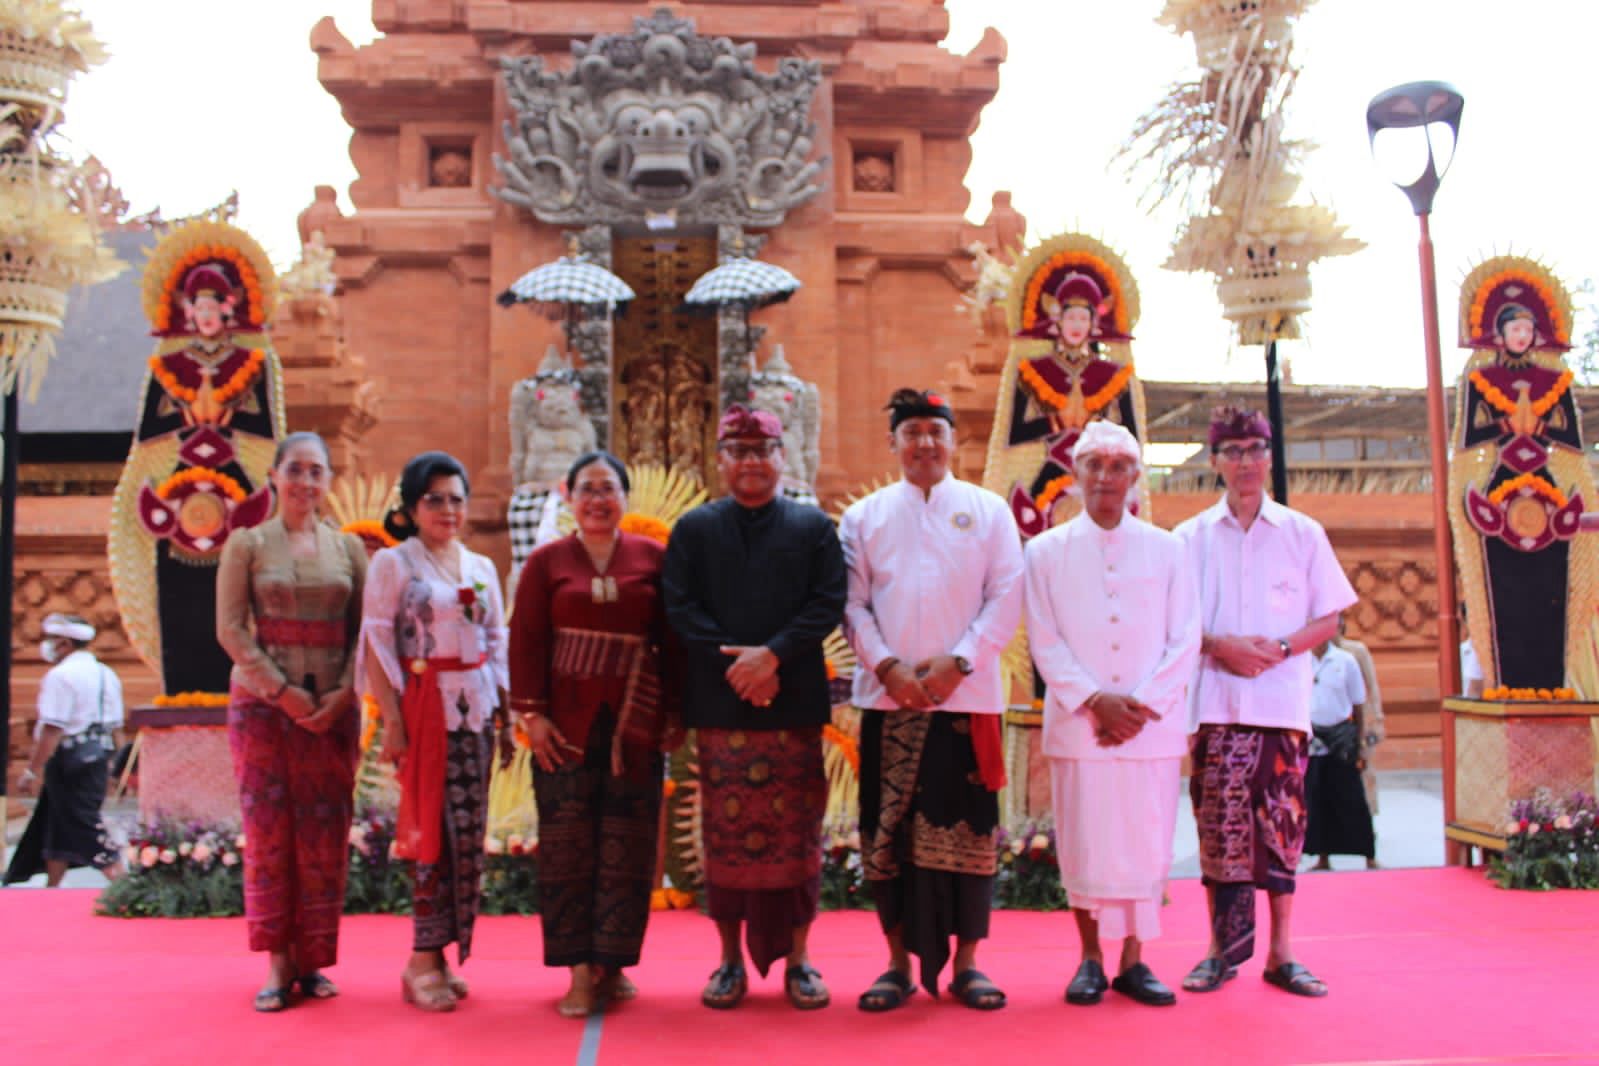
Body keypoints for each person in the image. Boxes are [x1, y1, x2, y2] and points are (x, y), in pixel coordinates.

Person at [840, 388, 1023, 1012]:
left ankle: (970, 964)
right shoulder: (863, 517)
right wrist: (887, 667)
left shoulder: (989, 511)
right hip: (888, 702)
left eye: (935, 432)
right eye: (911, 432)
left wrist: (960, 661)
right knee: (886, 832)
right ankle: (894, 963)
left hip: (966, 703)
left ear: (954, 441)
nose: (924, 443)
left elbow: (1007, 595)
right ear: (893, 443)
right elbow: (853, 604)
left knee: (970, 831)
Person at [662, 404, 846, 1010]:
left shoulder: (814, 528)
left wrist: (772, 658)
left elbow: (826, 604)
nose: (751, 462)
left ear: (781, 459)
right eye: (738, 451)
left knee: (800, 839)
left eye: (762, 450)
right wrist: (739, 669)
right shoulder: (694, 531)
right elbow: (681, 609)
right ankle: (727, 961)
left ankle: (799, 958)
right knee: (725, 838)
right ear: (720, 461)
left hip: (792, 704)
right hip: (721, 706)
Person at [1174, 406, 1356, 999]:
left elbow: (1328, 618)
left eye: (1255, 449)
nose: (1245, 462)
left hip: (1281, 708)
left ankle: (1281, 954)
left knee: (1282, 833)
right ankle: (1217, 953)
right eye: (1232, 451)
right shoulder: (1188, 539)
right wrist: (1217, 645)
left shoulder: (1303, 533)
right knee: (1218, 834)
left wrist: (1278, 648)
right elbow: (1173, 626)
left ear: (1269, 457)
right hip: (1215, 708)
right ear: (1214, 462)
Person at [1024, 421, 1199, 1008]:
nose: (1105, 476)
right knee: (1085, 843)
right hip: (1081, 725)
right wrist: (1095, 701)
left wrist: (1141, 705)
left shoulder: (1169, 549)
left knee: (1147, 844)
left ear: (1134, 477)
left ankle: (1135, 962)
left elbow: (1185, 639)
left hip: (1149, 728)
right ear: (1075, 474)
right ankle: (1090, 959)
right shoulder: (1043, 552)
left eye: (1117, 465)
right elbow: (1043, 640)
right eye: (1093, 464)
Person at [510, 451, 680, 1018]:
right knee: (568, 850)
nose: (598, 499)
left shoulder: (655, 558)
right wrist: (533, 718)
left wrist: (674, 715)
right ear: (570, 497)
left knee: (628, 850)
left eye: (609, 488)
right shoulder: (546, 563)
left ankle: (614, 962)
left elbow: (674, 640)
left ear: (626, 498)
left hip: (636, 729)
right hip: (565, 733)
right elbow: (527, 640)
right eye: (587, 488)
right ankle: (580, 972)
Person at [214, 431, 368, 1012]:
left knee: (326, 832)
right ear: (275, 476)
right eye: (296, 470)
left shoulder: (350, 551)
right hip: (263, 710)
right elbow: (230, 630)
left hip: (333, 710)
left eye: (317, 471)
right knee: (272, 830)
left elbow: (365, 633)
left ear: (329, 480)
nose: (306, 482)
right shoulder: (247, 545)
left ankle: (315, 959)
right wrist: (281, 692)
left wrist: (341, 694)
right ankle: (279, 960)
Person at [359, 451, 508, 1012]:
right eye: (435, 499)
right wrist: (391, 721)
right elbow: (375, 642)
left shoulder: (480, 567)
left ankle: (444, 953)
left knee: (466, 833)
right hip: (424, 710)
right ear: (411, 507)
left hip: (477, 710)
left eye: (456, 499)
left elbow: (498, 641)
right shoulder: (395, 564)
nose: (448, 510)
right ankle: (421, 958)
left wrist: (508, 711)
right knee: (429, 831)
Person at [5, 615, 127, 888]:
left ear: (64, 643)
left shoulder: (60, 676)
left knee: (83, 820)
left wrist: (31, 770)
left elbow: (52, 728)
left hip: (68, 758)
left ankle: (121, 880)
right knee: (55, 821)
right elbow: (117, 727)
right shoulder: (107, 674)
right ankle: (53, 885)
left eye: (50, 640)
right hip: (98, 755)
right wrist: (118, 767)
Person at [1305, 638, 1376, 871]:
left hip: (1342, 735)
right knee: (1316, 796)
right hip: (1312, 737)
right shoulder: (1300, 661)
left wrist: (1361, 740)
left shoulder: (1346, 661)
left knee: (1352, 796)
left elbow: (1358, 704)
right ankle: (1322, 857)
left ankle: (1369, 855)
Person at [1333, 616, 1385, 817]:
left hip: (1360, 720)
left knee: (1365, 768)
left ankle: (1368, 815)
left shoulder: (1356, 651)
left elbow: (1371, 686)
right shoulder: (1315, 653)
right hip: (1331, 724)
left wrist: (1377, 720)